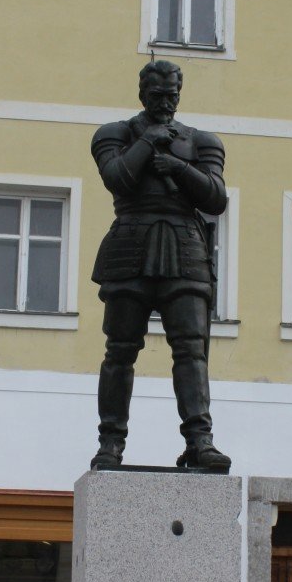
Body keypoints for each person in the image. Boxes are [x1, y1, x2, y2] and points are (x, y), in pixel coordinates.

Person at [90, 58, 231, 472]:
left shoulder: (203, 141)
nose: (166, 103)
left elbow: (216, 198)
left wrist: (179, 167)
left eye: (172, 96)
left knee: (191, 351)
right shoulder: (115, 133)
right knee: (120, 351)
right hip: (130, 244)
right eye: (157, 96)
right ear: (142, 95)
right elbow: (116, 177)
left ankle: (200, 441)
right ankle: (111, 444)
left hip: (185, 249)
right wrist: (148, 142)